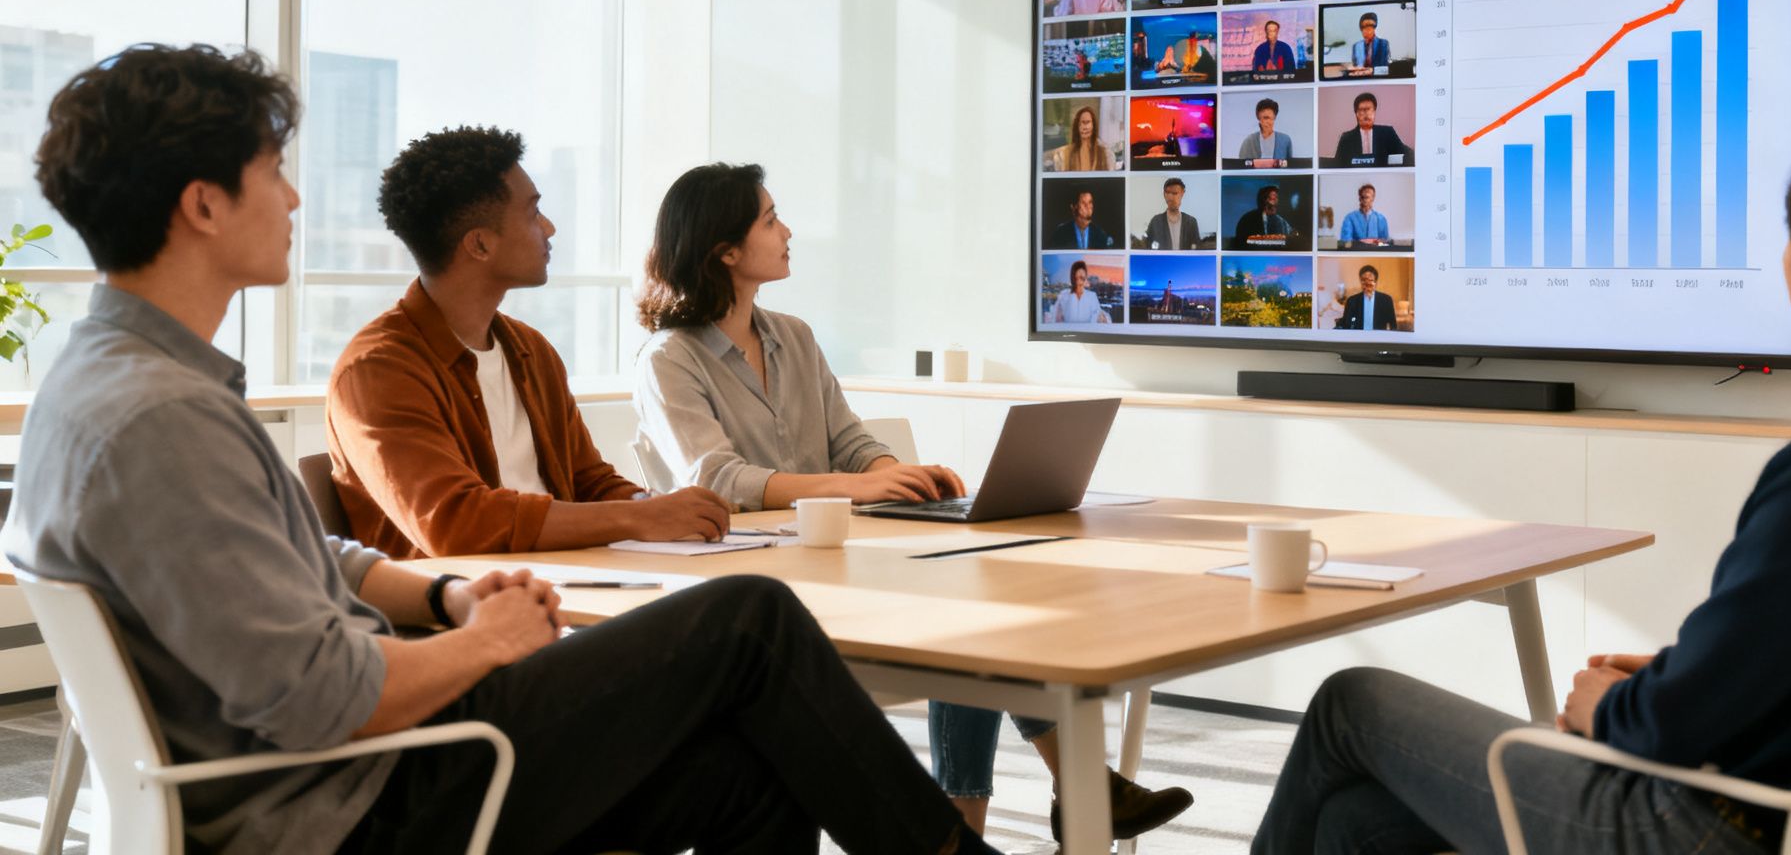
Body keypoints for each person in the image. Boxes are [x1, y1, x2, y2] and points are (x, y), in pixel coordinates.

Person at [3, 43, 1002, 855]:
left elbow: (316, 563)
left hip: (359, 760)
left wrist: (445, 599)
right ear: (203, 204)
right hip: (354, 806)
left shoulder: (118, 384)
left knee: (752, 776)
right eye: (273, 173)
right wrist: (485, 640)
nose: (297, 201)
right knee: (747, 618)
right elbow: (320, 700)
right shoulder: (161, 420)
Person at [1254, 128, 1791, 855]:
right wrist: (1683, 672)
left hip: (1701, 828)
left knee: (1350, 702)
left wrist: (1614, 705)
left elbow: (1665, 732)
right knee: (1352, 823)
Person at [630, 164, 1190, 842]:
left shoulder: (795, 337)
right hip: (747, 588)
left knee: (971, 598)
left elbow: (850, 441)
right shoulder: (670, 358)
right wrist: (856, 486)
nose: (787, 231)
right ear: (724, 249)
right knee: (958, 621)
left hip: (831, 559)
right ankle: (1047, 795)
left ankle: (983, 817)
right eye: (771, 219)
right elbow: (716, 478)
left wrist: (902, 477)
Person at [321, 128, 730, 559]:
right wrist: (641, 520)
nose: (549, 227)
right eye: (534, 212)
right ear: (479, 243)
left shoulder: (530, 350)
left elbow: (588, 482)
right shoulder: (377, 370)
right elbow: (454, 524)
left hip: (570, 583)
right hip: (466, 611)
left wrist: (656, 508)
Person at [1331, 93, 1410, 164]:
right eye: (1362, 110)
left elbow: (1407, 154)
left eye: (1369, 109)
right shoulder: (1346, 138)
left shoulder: (1387, 133)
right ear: (1356, 113)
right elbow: (1338, 164)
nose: (1366, 114)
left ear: (1374, 111)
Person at [1047, 104, 1113, 172]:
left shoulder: (1106, 154)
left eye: (1086, 122)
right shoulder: (1063, 154)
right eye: (1079, 124)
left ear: (1093, 125)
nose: (1083, 128)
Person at [1144, 177, 1203, 250]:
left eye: (1175, 193)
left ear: (1182, 194)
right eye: (1167, 193)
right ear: (1164, 194)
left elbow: (1197, 250)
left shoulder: (1191, 222)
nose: (1170, 197)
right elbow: (1148, 249)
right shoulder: (1156, 222)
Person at [1236, 97, 1295, 168]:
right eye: (1265, 118)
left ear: (1274, 118)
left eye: (1271, 118)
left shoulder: (1285, 140)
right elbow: (1241, 167)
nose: (1268, 122)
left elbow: (1290, 167)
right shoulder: (1249, 141)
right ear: (1259, 118)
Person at [1335, 263, 1396, 331]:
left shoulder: (1386, 300)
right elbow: (1347, 325)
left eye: (1370, 280)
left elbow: (1393, 326)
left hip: (1379, 339)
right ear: (1360, 281)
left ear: (1376, 282)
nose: (1367, 283)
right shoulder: (1352, 301)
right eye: (1364, 280)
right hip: (1358, 339)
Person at [1050, 186, 1116, 249]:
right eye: (1083, 203)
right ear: (1073, 207)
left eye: (1090, 202)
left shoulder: (1101, 235)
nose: (1088, 207)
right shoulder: (1061, 233)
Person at [1232, 184, 1294, 248]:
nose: (1275, 201)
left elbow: (1293, 237)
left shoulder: (1281, 222)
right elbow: (1242, 243)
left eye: (1276, 197)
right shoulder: (1247, 219)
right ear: (1263, 200)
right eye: (1271, 198)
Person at [1049, 260, 1110, 324]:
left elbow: (1099, 315)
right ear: (1073, 277)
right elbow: (1055, 317)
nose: (1079, 281)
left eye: (1082, 277)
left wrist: (1103, 318)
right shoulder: (1064, 294)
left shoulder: (1092, 296)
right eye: (1077, 277)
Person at [1349, 11, 1392, 75]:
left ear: (1375, 28)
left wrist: (1372, 71)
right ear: (1361, 29)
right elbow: (1355, 67)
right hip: (1360, 80)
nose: (1368, 29)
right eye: (1364, 26)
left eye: (1371, 26)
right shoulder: (1356, 46)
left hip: (1378, 80)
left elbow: (1386, 70)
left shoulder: (1383, 44)